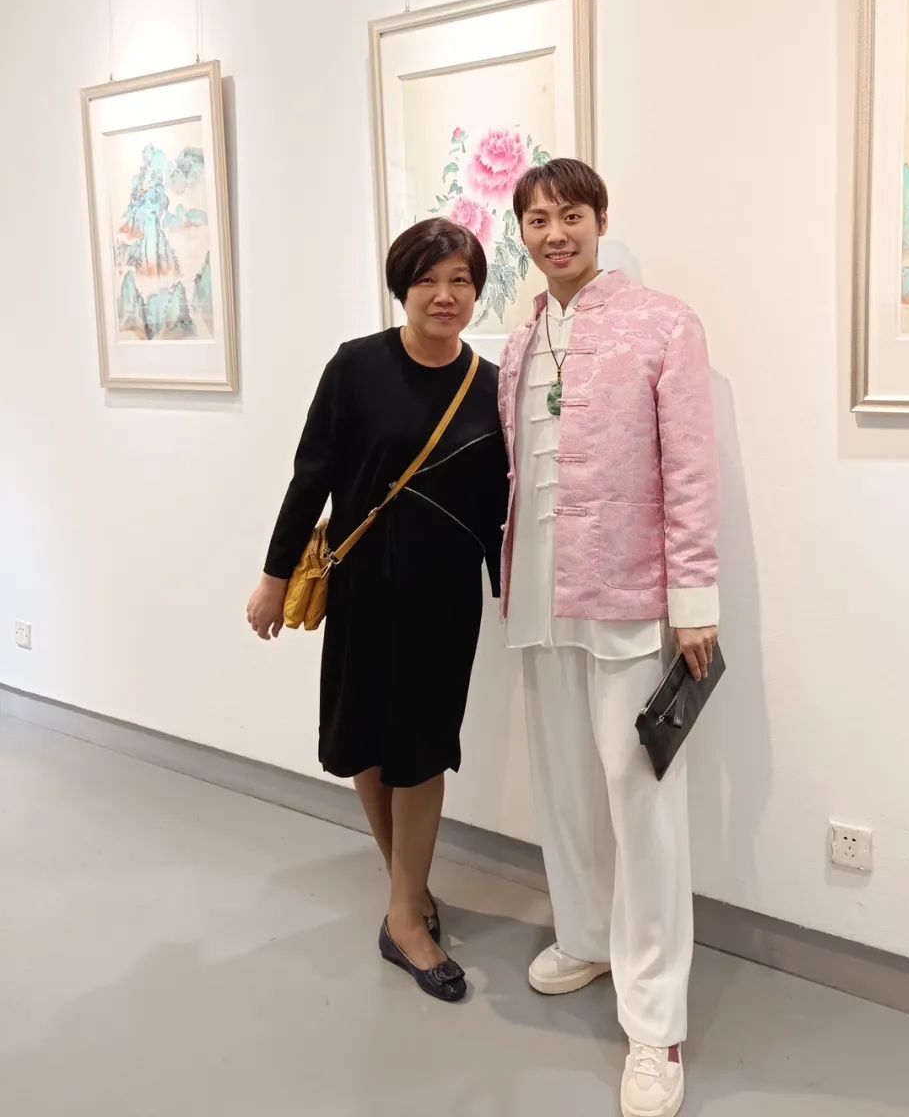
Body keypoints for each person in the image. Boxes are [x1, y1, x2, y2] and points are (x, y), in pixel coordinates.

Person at [498, 160, 719, 1117]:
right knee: (562, 786)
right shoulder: (520, 339)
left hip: (627, 593)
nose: (555, 235)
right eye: (537, 220)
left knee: (642, 801)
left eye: (571, 216)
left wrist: (695, 598)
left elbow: (691, 468)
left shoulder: (665, 324)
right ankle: (587, 936)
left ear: (599, 219)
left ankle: (657, 1024)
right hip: (536, 596)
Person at [246, 218, 508, 1004]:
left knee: (421, 751)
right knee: (364, 735)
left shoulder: (492, 385)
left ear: (476, 292)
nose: (444, 295)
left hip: (444, 596)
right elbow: (311, 475)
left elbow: (499, 504)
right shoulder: (357, 367)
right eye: (428, 279)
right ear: (402, 288)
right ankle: (408, 892)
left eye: (460, 280)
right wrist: (273, 576)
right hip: (363, 584)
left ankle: (403, 916)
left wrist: (512, 589)